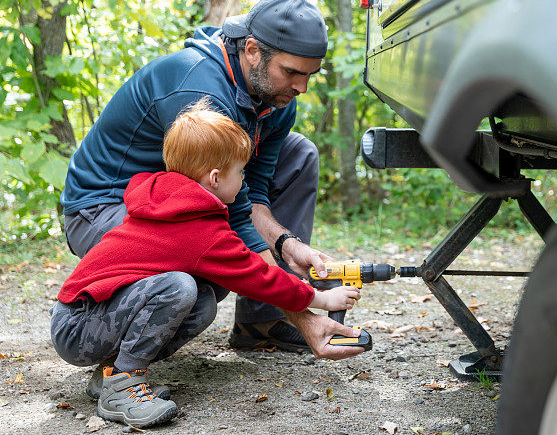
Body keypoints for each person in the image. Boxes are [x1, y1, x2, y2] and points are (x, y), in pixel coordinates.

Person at [60, 0, 349, 356]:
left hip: (182, 202)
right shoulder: (199, 90)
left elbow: (252, 196)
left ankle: (261, 321)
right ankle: (118, 367)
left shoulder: (277, 100)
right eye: (291, 72)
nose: (301, 88)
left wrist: (286, 244)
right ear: (252, 50)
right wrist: (305, 314)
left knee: (300, 153)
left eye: (310, 75)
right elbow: (235, 218)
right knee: (200, 280)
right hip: (104, 207)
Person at [50, 103, 362, 428]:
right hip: (77, 326)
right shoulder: (196, 226)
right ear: (215, 178)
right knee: (178, 288)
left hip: (88, 318)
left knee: (201, 301)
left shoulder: (169, 200)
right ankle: (122, 386)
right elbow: (256, 275)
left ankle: (111, 374)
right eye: (241, 172)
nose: (243, 181)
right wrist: (322, 299)